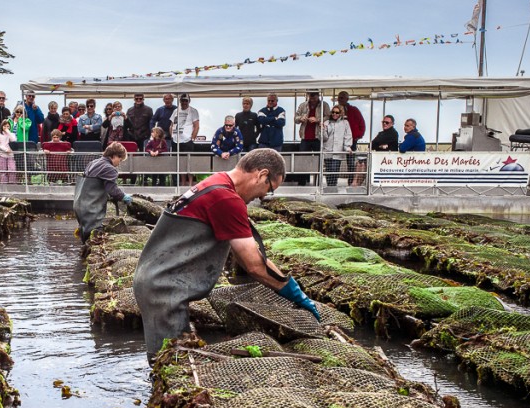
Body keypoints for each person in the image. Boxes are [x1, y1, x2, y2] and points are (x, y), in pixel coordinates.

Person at [132, 148, 320, 360]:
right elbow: (254, 266)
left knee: (171, 355)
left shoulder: (217, 182)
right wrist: (294, 292)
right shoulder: (226, 199)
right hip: (163, 288)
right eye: (269, 188)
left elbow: (245, 255)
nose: (264, 196)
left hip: (158, 281)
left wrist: (285, 281)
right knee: (170, 361)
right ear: (261, 174)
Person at [73, 141, 132, 242]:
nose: (119, 163)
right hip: (91, 206)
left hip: (79, 204)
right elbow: (112, 190)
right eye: (120, 159)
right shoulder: (109, 168)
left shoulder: (94, 162)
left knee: (84, 233)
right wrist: (124, 197)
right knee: (94, 234)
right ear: (114, 156)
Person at [338, 90, 366, 185]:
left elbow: (362, 124)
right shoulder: (335, 111)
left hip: (351, 140)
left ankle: (351, 181)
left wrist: (358, 135)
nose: (339, 99)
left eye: (342, 97)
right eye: (339, 97)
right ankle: (333, 182)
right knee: (336, 161)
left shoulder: (354, 110)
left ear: (347, 99)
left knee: (350, 162)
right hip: (338, 140)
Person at [323, 105, 354, 188]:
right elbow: (323, 138)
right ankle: (329, 188)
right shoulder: (327, 122)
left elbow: (348, 135)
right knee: (328, 173)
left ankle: (333, 188)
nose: (334, 114)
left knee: (334, 172)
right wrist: (322, 129)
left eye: (337, 112)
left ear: (341, 113)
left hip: (337, 153)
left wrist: (347, 147)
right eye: (333, 112)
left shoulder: (345, 123)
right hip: (328, 151)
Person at [0, 119, 18, 183]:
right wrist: (5, 149)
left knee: (12, 169)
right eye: (4, 126)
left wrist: (8, 132)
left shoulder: (12, 134)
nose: (6, 128)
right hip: (2, 154)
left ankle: (12, 183)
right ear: (2, 126)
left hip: (11, 155)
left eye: (8, 126)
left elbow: (14, 140)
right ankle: (4, 185)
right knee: (3, 170)